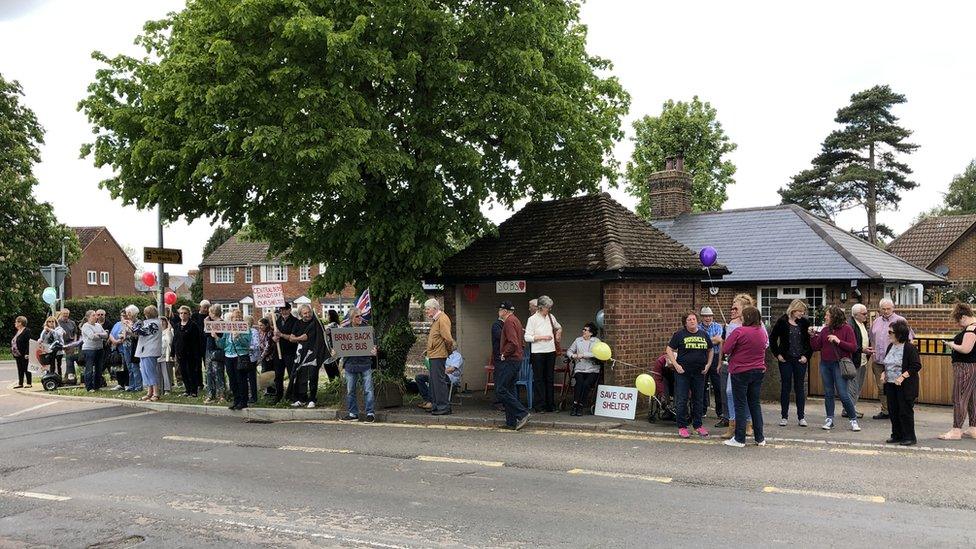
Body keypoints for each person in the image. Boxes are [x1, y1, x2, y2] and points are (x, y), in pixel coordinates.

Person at [723, 306, 768, 447]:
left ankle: (739, 439)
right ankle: (760, 438)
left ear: (747, 317)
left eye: (743, 316)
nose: (740, 318)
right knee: (755, 404)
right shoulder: (762, 332)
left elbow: (726, 349)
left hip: (740, 371)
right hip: (758, 370)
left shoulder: (739, 331)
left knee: (740, 405)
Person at [810, 305, 860, 432]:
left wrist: (838, 341)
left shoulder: (847, 329)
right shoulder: (825, 330)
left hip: (839, 365)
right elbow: (816, 347)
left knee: (843, 394)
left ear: (834, 317)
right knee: (828, 393)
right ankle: (829, 419)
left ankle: (853, 420)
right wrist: (812, 336)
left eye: (827, 315)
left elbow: (854, 347)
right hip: (825, 364)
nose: (825, 317)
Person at [667, 311, 713, 438]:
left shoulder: (704, 334)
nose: (692, 321)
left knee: (698, 399)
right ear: (685, 323)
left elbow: (710, 350)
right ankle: (682, 426)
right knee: (682, 399)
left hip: (699, 372)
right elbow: (669, 349)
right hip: (683, 373)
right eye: (689, 320)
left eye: (694, 319)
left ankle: (698, 425)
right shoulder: (679, 335)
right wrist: (676, 365)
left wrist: (708, 365)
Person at [769, 299, 812, 427]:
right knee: (786, 387)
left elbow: (809, 342)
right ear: (793, 310)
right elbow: (772, 338)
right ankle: (784, 416)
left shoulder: (804, 323)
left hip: (800, 360)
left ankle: (801, 417)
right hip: (786, 360)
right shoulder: (782, 321)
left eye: (803, 312)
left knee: (799, 388)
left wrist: (806, 356)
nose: (802, 314)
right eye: (800, 311)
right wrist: (777, 354)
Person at [869, 298, 914, 420]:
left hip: (896, 362)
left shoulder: (900, 321)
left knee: (897, 386)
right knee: (881, 387)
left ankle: (897, 411)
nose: (886, 311)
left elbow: (909, 340)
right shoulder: (876, 322)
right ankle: (885, 411)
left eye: (888, 308)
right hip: (879, 361)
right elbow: (872, 339)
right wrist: (873, 354)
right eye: (883, 309)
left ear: (893, 308)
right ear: (880, 309)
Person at [880, 320, 922, 446]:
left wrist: (903, 376)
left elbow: (916, 365)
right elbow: (887, 363)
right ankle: (896, 435)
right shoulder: (890, 346)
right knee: (893, 411)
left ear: (899, 334)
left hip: (905, 386)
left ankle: (909, 436)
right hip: (891, 385)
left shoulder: (909, 348)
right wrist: (883, 373)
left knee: (905, 411)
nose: (888, 334)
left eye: (890, 332)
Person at [939, 303, 976, 440]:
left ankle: (956, 430)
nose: (959, 324)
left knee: (959, 398)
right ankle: (973, 428)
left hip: (965, 367)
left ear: (964, 316)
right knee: (972, 398)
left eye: (959, 320)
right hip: (973, 366)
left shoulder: (971, 329)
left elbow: (966, 349)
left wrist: (951, 344)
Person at [722, 295, 755, 437]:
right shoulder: (732, 324)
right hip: (734, 364)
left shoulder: (753, 323)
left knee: (746, 394)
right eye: (733, 307)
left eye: (736, 307)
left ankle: (748, 423)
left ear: (744, 308)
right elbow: (728, 346)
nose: (733, 309)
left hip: (749, 364)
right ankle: (732, 424)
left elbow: (764, 343)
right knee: (729, 392)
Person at [524, 295, 562, 413]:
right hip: (538, 352)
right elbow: (527, 337)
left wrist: (559, 332)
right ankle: (540, 405)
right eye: (547, 308)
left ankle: (550, 404)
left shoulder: (551, 317)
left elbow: (558, 326)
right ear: (540, 307)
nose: (549, 310)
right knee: (539, 379)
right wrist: (542, 337)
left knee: (549, 378)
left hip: (550, 351)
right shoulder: (532, 319)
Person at [339, 306, 377, 422]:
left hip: (365, 363)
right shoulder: (345, 331)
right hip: (350, 364)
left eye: (361, 315)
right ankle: (353, 414)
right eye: (357, 316)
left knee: (368, 390)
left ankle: (370, 413)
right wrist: (336, 350)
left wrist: (374, 350)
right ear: (351, 319)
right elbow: (340, 347)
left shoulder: (367, 330)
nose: (360, 318)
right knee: (350, 391)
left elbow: (374, 344)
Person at [497, 301, 530, 430]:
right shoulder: (516, 320)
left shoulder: (509, 322)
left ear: (505, 311)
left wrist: (504, 353)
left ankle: (522, 413)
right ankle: (511, 422)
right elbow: (521, 342)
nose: (498, 312)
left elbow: (513, 342)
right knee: (509, 389)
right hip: (516, 359)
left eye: (500, 309)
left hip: (511, 359)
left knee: (501, 389)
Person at [284, 304, 322, 408]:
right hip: (300, 354)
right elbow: (291, 338)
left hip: (313, 354)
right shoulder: (298, 323)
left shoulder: (316, 323)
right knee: (300, 376)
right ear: (301, 314)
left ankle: (312, 399)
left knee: (313, 376)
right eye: (305, 313)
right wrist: (300, 338)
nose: (308, 315)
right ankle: (301, 399)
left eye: (309, 312)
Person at [424, 298, 455, 416]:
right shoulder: (437, 319)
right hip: (435, 354)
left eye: (428, 309)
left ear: (435, 308)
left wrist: (447, 350)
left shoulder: (442, 319)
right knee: (434, 382)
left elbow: (448, 338)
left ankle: (444, 406)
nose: (426, 311)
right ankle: (437, 405)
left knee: (439, 381)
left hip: (438, 355)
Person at [565, 322, 602, 416]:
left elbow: (598, 353)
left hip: (592, 368)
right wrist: (572, 355)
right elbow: (569, 350)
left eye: (585, 330)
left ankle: (581, 405)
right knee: (579, 383)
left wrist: (583, 355)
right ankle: (575, 404)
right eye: (583, 329)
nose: (583, 331)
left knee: (586, 384)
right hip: (580, 368)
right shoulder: (578, 340)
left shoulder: (596, 341)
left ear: (591, 333)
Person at [218, 310, 252, 410]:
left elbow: (247, 344)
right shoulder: (227, 330)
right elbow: (223, 344)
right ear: (231, 319)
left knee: (241, 379)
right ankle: (236, 400)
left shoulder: (245, 329)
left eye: (238, 318)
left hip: (240, 356)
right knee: (232, 380)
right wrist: (216, 337)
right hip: (228, 356)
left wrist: (239, 336)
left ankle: (243, 401)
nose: (236, 319)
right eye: (234, 318)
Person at [846, 303, 872, 418]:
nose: (866, 315)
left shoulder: (861, 323)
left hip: (862, 360)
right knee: (852, 386)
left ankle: (850, 408)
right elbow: (852, 344)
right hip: (854, 360)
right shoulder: (851, 325)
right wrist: (863, 350)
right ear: (856, 315)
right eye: (864, 313)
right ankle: (849, 410)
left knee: (858, 386)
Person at [271, 302, 299, 404]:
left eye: (286, 309)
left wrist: (281, 335)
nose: (284, 311)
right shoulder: (277, 321)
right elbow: (273, 336)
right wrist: (274, 338)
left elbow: (293, 337)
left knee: (292, 374)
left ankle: (292, 395)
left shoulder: (295, 322)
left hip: (290, 352)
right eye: (282, 309)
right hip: (278, 352)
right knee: (278, 376)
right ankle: (278, 396)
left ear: (290, 309)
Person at [699, 307, 725, 421]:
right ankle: (702, 410)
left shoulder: (718, 326)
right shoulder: (698, 327)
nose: (708, 318)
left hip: (715, 357)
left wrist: (705, 341)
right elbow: (713, 341)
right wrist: (712, 340)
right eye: (705, 316)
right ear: (702, 317)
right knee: (702, 385)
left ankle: (720, 412)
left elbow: (719, 340)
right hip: (701, 357)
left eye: (710, 316)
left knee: (718, 386)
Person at [134, 305, 163, 402]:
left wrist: (133, 324)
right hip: (144, 350)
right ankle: (149, 392)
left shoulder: (154, 323)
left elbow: (141, 332)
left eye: (145, 313)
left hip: (150, 350)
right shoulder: (149, 322)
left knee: (151, 372)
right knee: (145, 372)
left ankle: (156, 393)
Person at [173, 305, 203, 397]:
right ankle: (187, 389)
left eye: (185, 313)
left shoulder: (193, 325)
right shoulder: (177, 326)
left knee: (191, 372)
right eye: (181, 313)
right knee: (183, 372)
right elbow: (175, 340)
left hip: (191, 353)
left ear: (189, 314)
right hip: (180, 353)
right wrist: (173, 352)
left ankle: (193, 391)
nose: (183, 315)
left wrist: (197, 354)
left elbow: (197, 340)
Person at [110, 305, 137, 391]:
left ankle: (127, 383)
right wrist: (114, 340)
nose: (124, 317)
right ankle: (120, 383)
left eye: (125, 315)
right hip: (117, 349)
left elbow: (126, 336)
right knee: (118, 367)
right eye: (122, 316)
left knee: (127, 367)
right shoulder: (117, 324)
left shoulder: (129, 323)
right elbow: (111, 334)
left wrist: (120, 340)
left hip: (125, 347)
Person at [203, 304, 226, 403]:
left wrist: (207, 324)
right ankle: (211, 394)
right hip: (209, 349)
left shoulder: (220, 323)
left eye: (210, 312)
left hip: (217, 350)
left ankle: (221, 394)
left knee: (218, 372)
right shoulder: (210, 323)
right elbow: (205, 334)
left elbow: (219, 336)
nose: (209, 314)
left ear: (213, 312)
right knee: (209, 373)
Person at [80, 310, 107, 391]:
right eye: (93, 315)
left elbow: (106, 335)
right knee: (89, 369)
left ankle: (97, 386)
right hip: (89, 349)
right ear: (88, 317)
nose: (96, 317)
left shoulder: (98, 325)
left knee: (99, 369)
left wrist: (98, 334)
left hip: (99, 349)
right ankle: (89, 387)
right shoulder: (86, 326)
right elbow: (92, 337)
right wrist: (101, 335)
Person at [248, 317, 273, 405]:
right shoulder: (260, 332)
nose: (260, 327)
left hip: (269, 357)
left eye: (261, 325)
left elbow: (268, 347)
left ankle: (270, 391)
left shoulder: (269, 333)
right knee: (264, 372)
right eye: (258, 325)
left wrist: (261, 357)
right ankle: (267, 390)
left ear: (266, 325)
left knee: (268, 373)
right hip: (262, 356)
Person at [191, 300, 210, 396]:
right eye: (204, 307)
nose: (206, 309)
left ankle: (208, 382)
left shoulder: (209, 317)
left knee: (207, 364)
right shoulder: (194, 316)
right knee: (197, 365)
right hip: (197, 344)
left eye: (207, 307)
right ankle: (199, 383)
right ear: (200, 307)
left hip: (206, 344)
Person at [57, 309, 78, 382]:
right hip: (61, 343)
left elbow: (75, 332)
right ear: (61, 314)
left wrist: (75, 342)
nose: (65, 315)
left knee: (69, 360)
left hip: (70, 343)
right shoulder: (58, 323)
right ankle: (63, 377)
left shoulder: (72, 323)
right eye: (64, 313)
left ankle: (69, 377)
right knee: (60, 361)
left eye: (67, 313)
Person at [11, 316, 32, 388]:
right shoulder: (17, 331)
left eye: (16, 322)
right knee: (20, 368)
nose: (15, 323)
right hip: (17, 353)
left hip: (24, 353)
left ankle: (29, 383)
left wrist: (27, 353)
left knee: (26, 368)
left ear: (20, 323)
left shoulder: (26, 331)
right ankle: (20, 383)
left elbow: (28, 343)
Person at [321, 310, 342, 381]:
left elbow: (325, 332)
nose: (327, 316)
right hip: (337, 350)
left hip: (331, 351)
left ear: (331, 316)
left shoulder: (332, 326)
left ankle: (334, 385)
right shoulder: (338, 325)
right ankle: (337, 385)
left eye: (328, 315)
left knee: (330, 368)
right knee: (335, 369)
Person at [159, 316, 175, 394]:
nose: (162, 323)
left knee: (166, 373)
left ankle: (167, 389)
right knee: (158, 373)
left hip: (166, 354)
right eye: (160, 321)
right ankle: (159, 388)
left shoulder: (170, 330)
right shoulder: (157, 332)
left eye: (163, 321)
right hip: (158, 354)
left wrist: (168, 330)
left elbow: (170, 341)